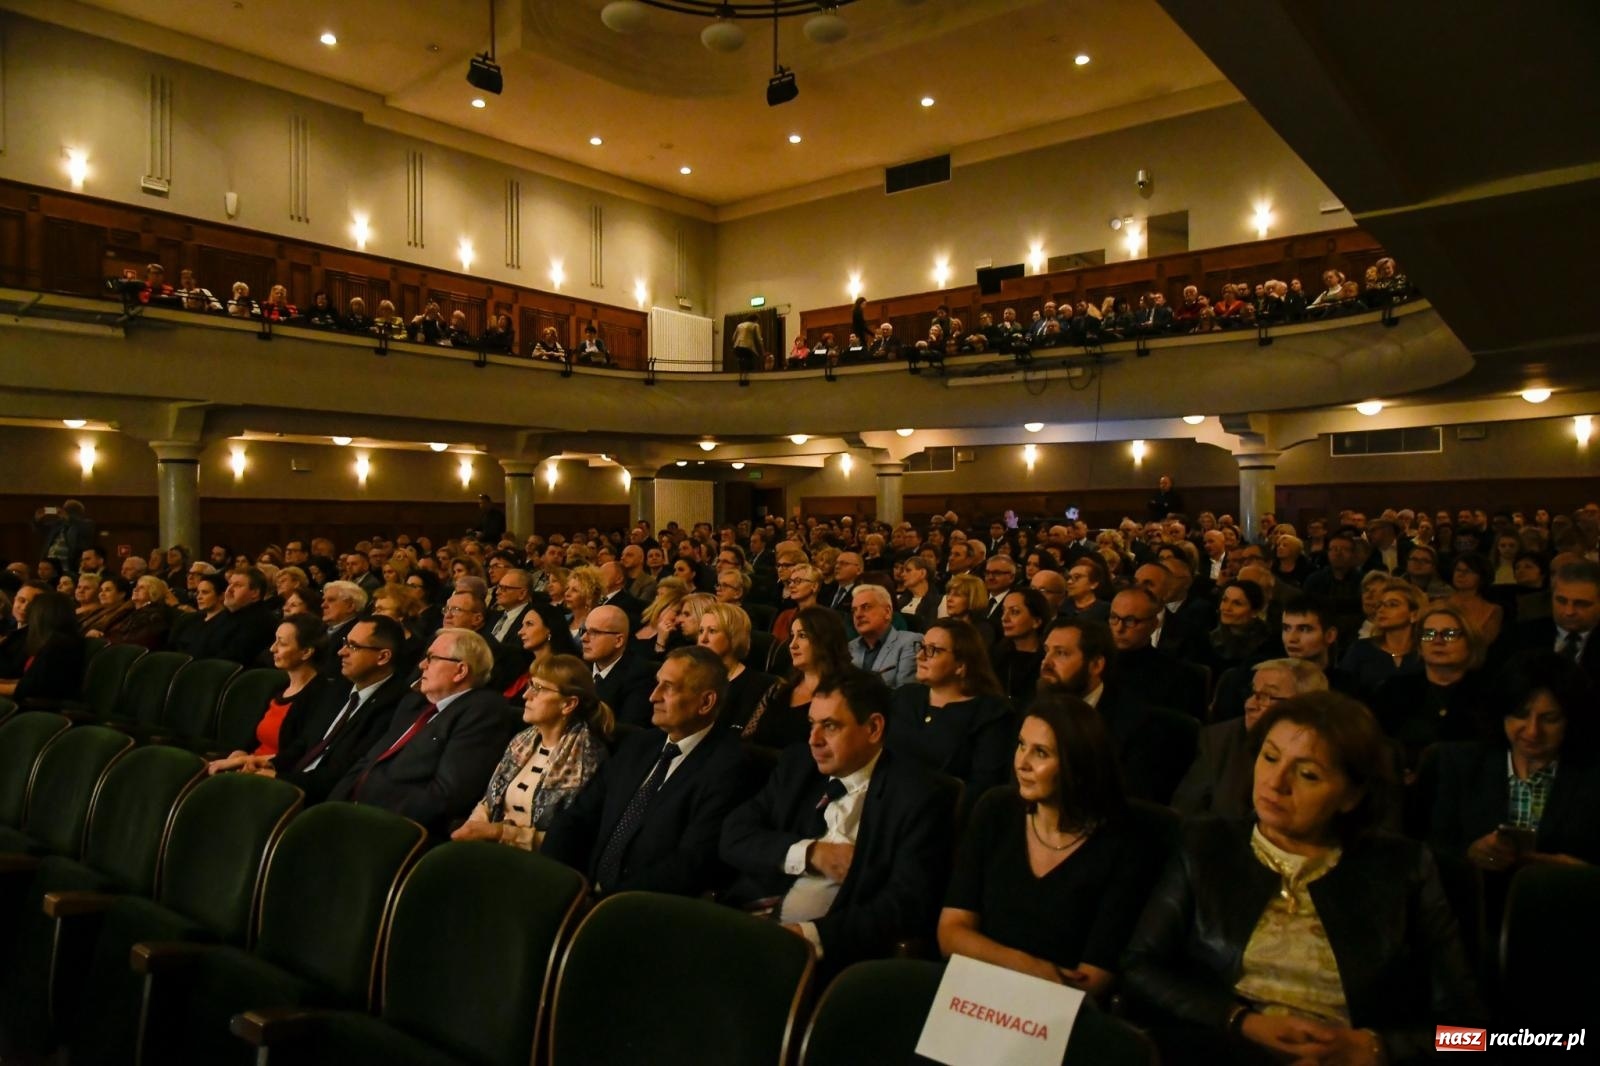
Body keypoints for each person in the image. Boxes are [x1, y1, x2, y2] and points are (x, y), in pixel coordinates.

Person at [1123, 691, 1480, 1066]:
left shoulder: (1405, 868)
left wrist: (1373, 1048)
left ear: (1351, 796)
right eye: (1270, 757)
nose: (1276, 782)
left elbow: (1473, 1036)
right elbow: (1139, 967)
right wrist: (1240, 1021)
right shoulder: (1204, 843)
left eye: (1307, 774)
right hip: (1222, 1049)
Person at [720, 668, 957, 975]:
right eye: (811, 724)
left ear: (873, 728)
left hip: (822, 958)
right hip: (740, 921)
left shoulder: (917, 797)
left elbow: (905, 904)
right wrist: (810, 853)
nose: (813, 740)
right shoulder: (797, 765)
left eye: (829, 726)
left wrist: (810, 936)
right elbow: (734, 835)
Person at [939, 693, 1164, 998]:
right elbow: (951, 932)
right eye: (1021, 745)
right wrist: (1027, 967)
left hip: (1059, 1007)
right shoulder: (995, 809)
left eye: (1041, 753)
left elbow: (1095, 977)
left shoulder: (1124, 842)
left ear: (1077, 764)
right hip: (975, 991)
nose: (1022, 763)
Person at [543, 646, 761, 897]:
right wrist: (557, 881)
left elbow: (690, 865)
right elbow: (577, 817)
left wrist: (608, 904)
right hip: (583, 890)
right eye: (657, 684)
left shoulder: (729, 768)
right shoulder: (638, 744)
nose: (653, 696)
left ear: (705, 702)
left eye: (668, 687)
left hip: (642, 910)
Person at [329, 627, 518, 839]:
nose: (421, 665)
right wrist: (331, 810)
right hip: (351, 814)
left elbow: (446, 795)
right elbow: (368, 761)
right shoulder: (415, 703)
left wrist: (368, 811)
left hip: (393, 828)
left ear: (460, 671)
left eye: (431, 658)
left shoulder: (483, 710)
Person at [1426, 652, 1600, 872]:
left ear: (1571, 721)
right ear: (1502, 714)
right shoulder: (1461, 762)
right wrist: (1470, 853)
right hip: (1478, 898)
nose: (1532, 731)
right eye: (1521, 715)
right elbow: (1434, 848)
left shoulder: (1592, 774)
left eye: (1549, 719)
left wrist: (1583, 874)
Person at [452, 654, 613, 850]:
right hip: (492, 847)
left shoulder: (589, 758)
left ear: (569, 704)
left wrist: (499, 833)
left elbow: (569, 839)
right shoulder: (522, 740)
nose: (526, 695)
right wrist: (475, 827)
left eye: (539, 689)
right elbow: (489, 800)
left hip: (536, 864)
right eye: (530, 686)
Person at [1039, 617, 1196, 804]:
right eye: (1047, 651)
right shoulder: (1036, 709)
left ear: (1096, 665)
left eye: (1061, 654)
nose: (1046, 663)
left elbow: (1130, 801)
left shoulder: (1138, 724)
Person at [272, 616, 415, 804]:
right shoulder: (338, 687)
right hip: (293, 783)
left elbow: (346, 773)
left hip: (324, 800)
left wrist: (277, 779)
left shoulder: (398, 704)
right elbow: (305, 743)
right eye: (345, 642)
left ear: (382, 657)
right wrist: (267, 765)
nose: (341, 652)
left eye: (353, 646)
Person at [1172, 659, 1328, 817]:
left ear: (1305, 707)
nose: (1249, 704)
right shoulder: (1219, 740)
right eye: (1253, 693)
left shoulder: (1324, 754)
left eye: (1267, 696)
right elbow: (1185, 814)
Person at [885, 619, 1015, 795]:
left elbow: (983, 786)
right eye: (921, 647)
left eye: (933, 650)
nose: (920, 656)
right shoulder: (905, 696)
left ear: (961, 665)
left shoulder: (991, 713)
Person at [207, 613, 330, 775]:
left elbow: (299, 753)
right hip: (251, 765)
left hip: (272, 774)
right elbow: (255, 739)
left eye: (283, 643)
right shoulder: (279, 687)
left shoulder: (321, 695)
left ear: (306, 652)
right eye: (275, 640)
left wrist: (245, 761)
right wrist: (240, 753)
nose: (273, 648)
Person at [743, 606, 851, 751]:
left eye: (802, 636)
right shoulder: (777, 690)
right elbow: (746, 739)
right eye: (792, 636)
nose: (792, 645)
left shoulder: (843, 695)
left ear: (824, 639)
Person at [697, 601, 777, 734]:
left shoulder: (756, 685)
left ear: (733, 636)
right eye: (700, 631)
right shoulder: (689, 677)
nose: (703, 639)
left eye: (712, 631)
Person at [1339, 578, 1424, 699]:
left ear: (1414, 614)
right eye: (1379, 605)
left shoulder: (1425, 651)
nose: (1381, 610)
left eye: (1392, 604)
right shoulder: (1360, 649)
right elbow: (1343, 696)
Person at [0, 592, 84, 703]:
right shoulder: (55, 641)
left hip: (37, 707)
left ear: (42, 614)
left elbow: (29, 689)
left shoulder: (58, 645)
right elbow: (27, 681)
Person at [846, 585, 921, 688]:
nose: (858, 615)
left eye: (866, 607)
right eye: (854, 610)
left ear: (887, 612)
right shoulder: (849, 648)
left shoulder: (910, 642)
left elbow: (904, 695)